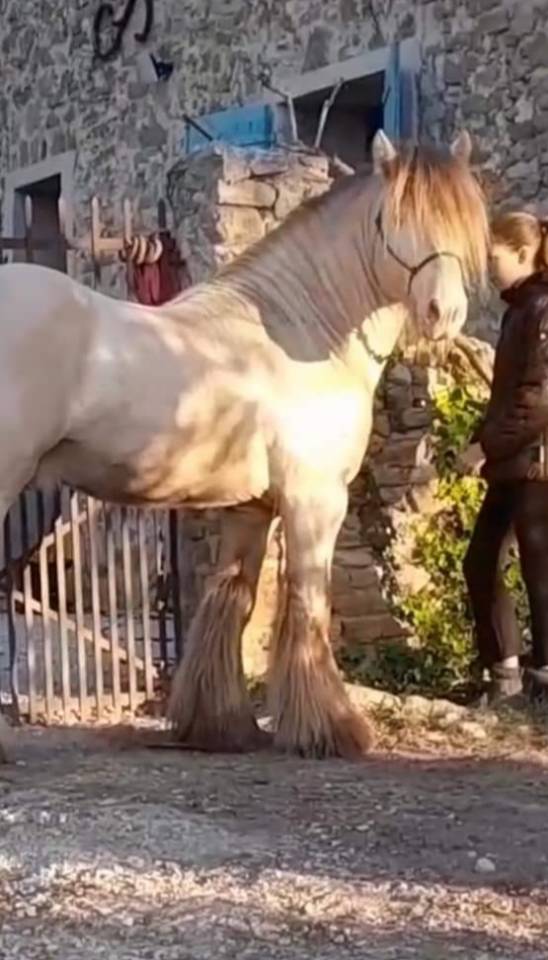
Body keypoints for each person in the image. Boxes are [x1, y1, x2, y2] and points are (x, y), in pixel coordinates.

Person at [463, 211, 548, 703]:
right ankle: (507, 676)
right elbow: (508, 395)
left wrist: (486, 446)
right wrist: (481, 441)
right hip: (512, 461)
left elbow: (537, 401)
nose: (487, 266)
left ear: (521, 252)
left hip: (537, 463)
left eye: (493, 256)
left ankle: (541, 681)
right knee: (481, 562)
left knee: (540, 570)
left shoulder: (542, 308)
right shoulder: (520, 308)